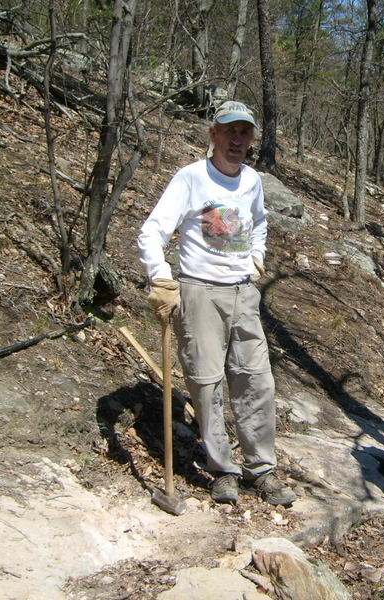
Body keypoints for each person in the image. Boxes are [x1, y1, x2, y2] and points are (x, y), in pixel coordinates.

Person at [137, 100, 296, 507]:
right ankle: (222, 470)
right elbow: (153, 230)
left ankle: (261, 469)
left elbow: (259, 220)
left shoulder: (252, 181)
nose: (238, 140)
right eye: (230, 131)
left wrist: (257, 255)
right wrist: (160, 276)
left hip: (243, 293)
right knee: (206, 384)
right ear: (214, 135)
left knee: (256, 381)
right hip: (200, 293)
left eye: (245, 133)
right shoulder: (191, 177)